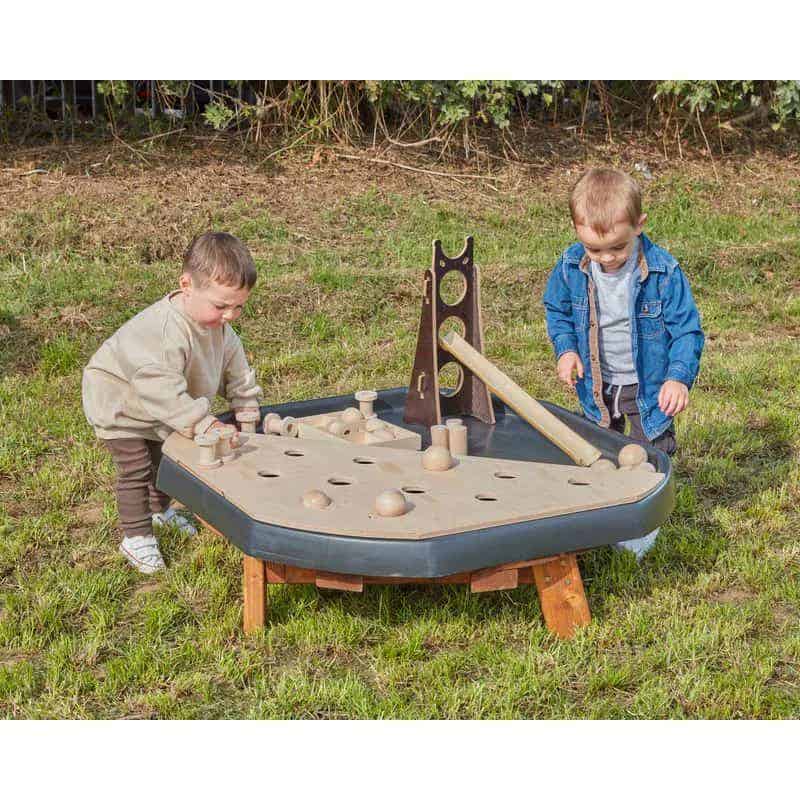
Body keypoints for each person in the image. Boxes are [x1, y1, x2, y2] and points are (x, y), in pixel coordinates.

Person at [543, 168, 704, 559]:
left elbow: (687, 330)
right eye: (594, 249)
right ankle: (604, 514)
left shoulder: (663, 272)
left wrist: (677, 379)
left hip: (647, 386)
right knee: (600, 449)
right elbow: (557, 310)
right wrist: (566, 350)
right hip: (598, 383)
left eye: (617, 247)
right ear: (577, 231)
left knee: (649, 452)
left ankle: (641, 529)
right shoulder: (570, 266)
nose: (606, 258)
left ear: (639, 225)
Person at [82, 232, 262, 573]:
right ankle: (136, 537)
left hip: (167, 406)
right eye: (221, 306)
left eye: (239, 306)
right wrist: (202, 423)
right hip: (120, 404)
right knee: (137, 468)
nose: (231, 315)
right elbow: (160, 390)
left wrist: (246, 403)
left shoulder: (219, 327)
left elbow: (236, 368)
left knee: (167, 458)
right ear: (186, 285)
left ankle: (160, 511)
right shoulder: (165, 332)